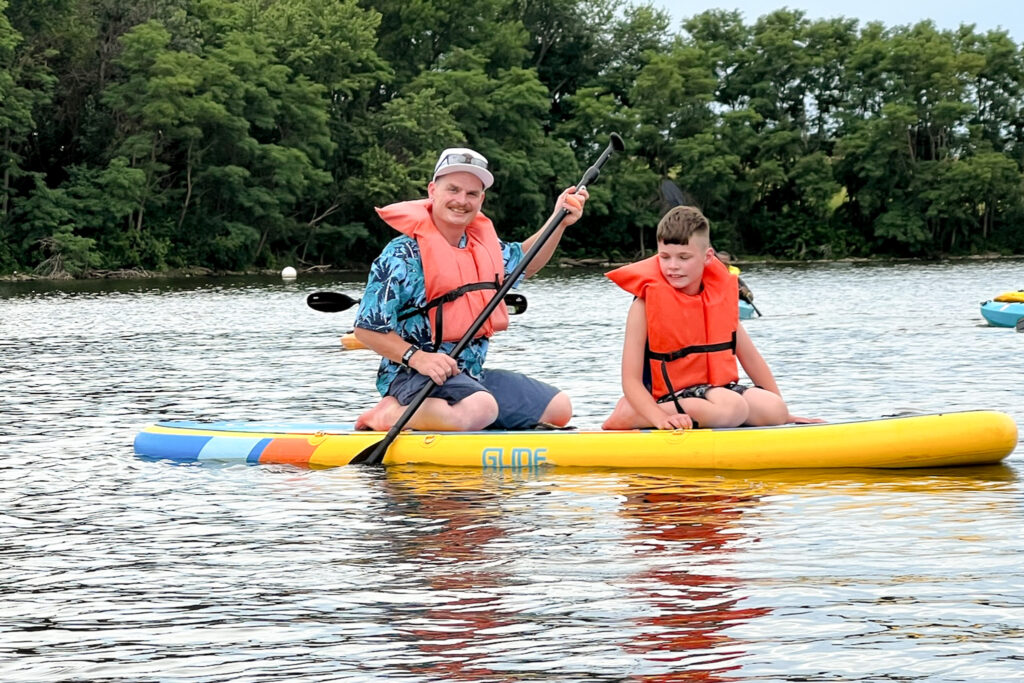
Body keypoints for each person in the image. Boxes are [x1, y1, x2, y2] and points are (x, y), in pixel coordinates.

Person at [353, 146, 589, 432]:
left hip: (469, 376)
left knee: (559, 408)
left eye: (471, 194)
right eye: (453, 189)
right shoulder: (401, 255)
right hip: (410, 375)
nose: (461, 201)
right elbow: (366, 330)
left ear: (481, 199)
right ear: (432, 191)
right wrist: (419, 358)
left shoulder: (483, 247)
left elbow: (526, 261)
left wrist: (558, 221)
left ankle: (464, 418)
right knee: (482, 407)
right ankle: (387, 414)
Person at [602, 205, 817, 431]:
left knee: (773, 408)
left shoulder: (718, 299)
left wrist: (783, 414)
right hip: (665, 396)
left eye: (684, 257)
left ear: (708, 257)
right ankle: (629, 415)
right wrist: (657, 417)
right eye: (664, 257)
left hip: (713, 391)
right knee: (733, 408)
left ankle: (750, 413)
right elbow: (630, 380)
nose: (673, 266)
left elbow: (752, 359)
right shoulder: (643, 306)